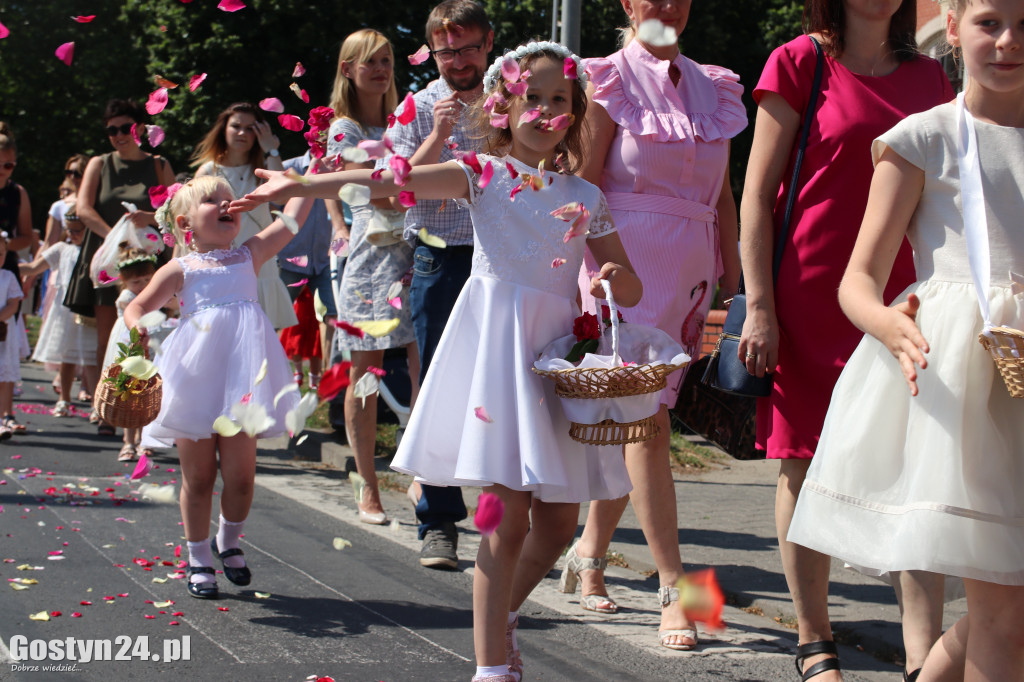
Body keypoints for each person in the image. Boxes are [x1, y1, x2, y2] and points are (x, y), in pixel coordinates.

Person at [232, 41, 643, 682]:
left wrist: (610, 276)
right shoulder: (481, 172)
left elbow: (632, 287)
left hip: (556, 358)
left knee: (560, 519)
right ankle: (488, 667)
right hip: (501, 355)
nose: (544, 110)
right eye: (531, 97)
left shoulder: (585, 195)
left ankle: (499, 617)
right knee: (504, 516)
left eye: (558, 100)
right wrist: (308, 184)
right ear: (504, 107)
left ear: (574, 112)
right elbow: (387, 180)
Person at [789, 1, 1024, 679]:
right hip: (967, 388)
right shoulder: (925, 137)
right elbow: (857, 280)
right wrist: (888, 322)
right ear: (951, 30)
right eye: (989, 23)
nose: (1008, 42)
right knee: (1002, 613)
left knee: (1004, 609)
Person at [737, 1, 955, 678]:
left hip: (909, 299)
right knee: (804, 462)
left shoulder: (931, 78)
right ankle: (813, 638)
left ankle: (922, 656)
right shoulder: (799, 61)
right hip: (808, 297)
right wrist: (760, 307)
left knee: (917, 468)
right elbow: (756, 196)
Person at [563, 0, 746, 651]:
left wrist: (740, 287)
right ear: (628, 3)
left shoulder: (715, 86)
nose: (667, 4)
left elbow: (723, 196)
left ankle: (589, 554)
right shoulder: (607, 76)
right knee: (647, 425)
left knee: (632, 426)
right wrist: (577, 274)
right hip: (622, 272)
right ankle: (676, 587)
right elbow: (582, 185)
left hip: (690, 280)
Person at [126, 177, 305, 600]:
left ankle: (229, 541)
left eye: (230, 200)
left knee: (241, 478)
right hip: (194, 380)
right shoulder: (180, 269)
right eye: (213, 201)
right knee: (200, 477)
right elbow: (137, 305)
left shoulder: (250, 254)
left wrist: (307, 178)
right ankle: (199, 556)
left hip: (242, 383)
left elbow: (294, 217)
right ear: (186, 222)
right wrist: (138, 330)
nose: (227, 205)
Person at [381, 0, 494, 569]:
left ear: (488, 44)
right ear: (432, 50)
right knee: (439, 389)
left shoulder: (514, 99)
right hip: (440, 257)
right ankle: (439, 522)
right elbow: (404, 189)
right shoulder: (418, 106)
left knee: (504, 388)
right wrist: (441, 132)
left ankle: (507, 520)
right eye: (447, 50)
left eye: (469, 47)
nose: (459, 59)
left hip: (503, 258)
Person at [327, 28, 420, 525]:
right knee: (365, 372)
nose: (382, 69)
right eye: (370, 62)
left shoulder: (408, 119)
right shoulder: (343, 130)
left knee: (426, 365)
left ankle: (422, 472)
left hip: (419, 248)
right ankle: (368, 486)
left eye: (387, 60)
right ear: (349, 70)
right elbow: (380, 193)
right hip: (370, 254)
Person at [69, 99, 176, 435]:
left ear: (141, 128)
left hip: (151, 262)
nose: (118, 135)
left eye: (125, 127)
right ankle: (107, 404)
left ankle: (147, 407)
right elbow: (83, 208)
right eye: (111, 129)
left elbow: (175, 211)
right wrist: (118, 239)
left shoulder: (159, 164)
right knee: (109, 337)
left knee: (153, 335)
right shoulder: (99, 164)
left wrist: (149, 221)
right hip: (110, 261)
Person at [193, 102, 297, 330]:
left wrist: (272, 149)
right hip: (221, 262)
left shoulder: (264, 168)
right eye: (236, 126)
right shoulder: (207, 171)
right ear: (224, 129)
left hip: (261, 259)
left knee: (265, 337)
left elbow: (282, 196)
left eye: (250, 128)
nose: (242, 133)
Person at [21, 205, 96, 419]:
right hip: (64, 308)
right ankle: (64, 398)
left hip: (85, 307)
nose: (72, 235)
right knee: (67, 355)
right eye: (69, 230)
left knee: (91, 357)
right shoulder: (62, 248)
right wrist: (11, 267)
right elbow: (34, 267)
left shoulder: (94, 250)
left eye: (77, 230)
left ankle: (95, 402)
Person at [279, 150, 343, 386]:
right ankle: (268, 377)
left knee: (336, 316)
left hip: (326, 259)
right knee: (274, 318)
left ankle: (332, 378)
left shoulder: (343, 168)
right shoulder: (289, 166)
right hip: (291, 260)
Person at [100, 244, 157, 462]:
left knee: (146, 394)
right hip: (130, 345)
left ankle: (144, 440)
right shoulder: (127, 297)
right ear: (124, 281)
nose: (142, 286)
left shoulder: (149, 295)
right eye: (136, 282)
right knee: (129, 393)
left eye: (147, 280)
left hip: (148, 344)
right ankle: (128, 441)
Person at [0, 233, 23, 441]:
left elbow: (13, 303)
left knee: (4, 378)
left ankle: (1, 419)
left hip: (3, 334)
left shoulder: (8, 277)